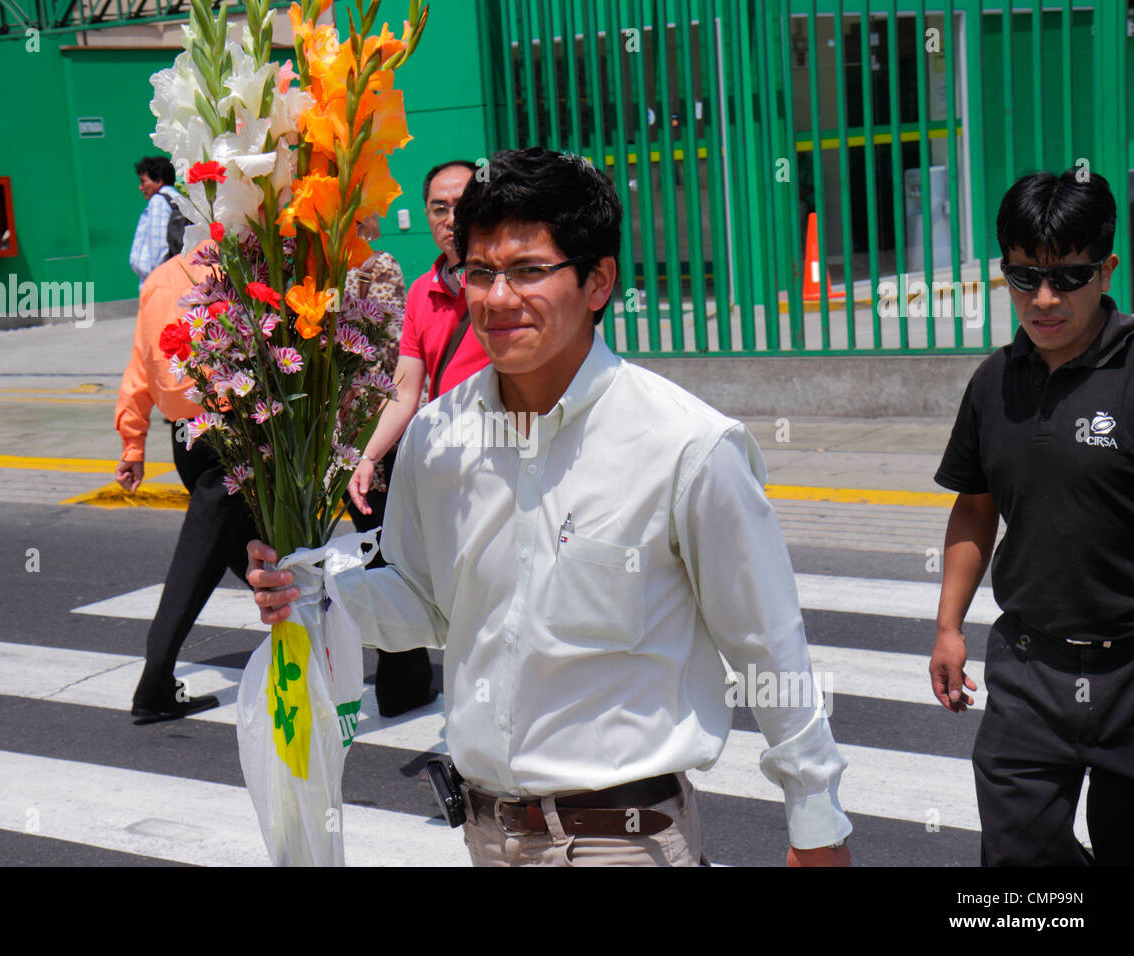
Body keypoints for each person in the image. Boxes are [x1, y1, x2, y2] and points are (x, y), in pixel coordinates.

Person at [251, 148, 852, 866]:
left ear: (598, 281)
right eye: (479, 271)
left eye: (529, 270)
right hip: (486, 833)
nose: (498, 297)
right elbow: (427, 603)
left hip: (621, 838)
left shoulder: (687, 446)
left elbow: (766, 644)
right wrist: (317, 590)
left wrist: (816, 823)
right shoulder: (438, 439)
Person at [930, 166, 1134, 867]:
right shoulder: (994, 381)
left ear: (1107, 269)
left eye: (1068, 278)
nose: (1044, 300)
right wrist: (949, 627)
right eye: (1024, 278)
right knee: (1019, 867)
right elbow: (976, 506)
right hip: (1028, 672)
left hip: (1130, 669)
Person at [347, 160, 492, 718]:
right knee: (461, 609)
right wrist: (368, 457)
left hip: (507, 467)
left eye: (462, 203)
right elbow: (406, 391)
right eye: (438, 207)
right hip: (449, 478)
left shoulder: (503, 285)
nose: (450, 218)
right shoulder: (422, 294)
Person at [115, 240, 258, 724]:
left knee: (243, 547)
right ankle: (155, 681)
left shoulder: (158, 279)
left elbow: (139, 366)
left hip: (185, 440)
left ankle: (311, 640)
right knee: (199, 559)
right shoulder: (238, 270)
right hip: (232, 431)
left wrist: (132, 444)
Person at [129, 157, 185, 285]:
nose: (140, 187)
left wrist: (158, 280)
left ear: (159, 180)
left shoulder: (158, 201)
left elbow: (158, 248)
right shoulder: (177, 199)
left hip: (159, 281)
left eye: (143, 182)